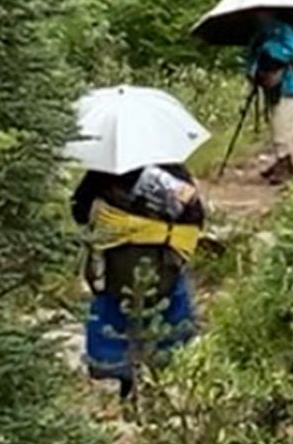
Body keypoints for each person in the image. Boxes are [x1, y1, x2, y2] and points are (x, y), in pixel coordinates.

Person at [72, 162, 204, 398]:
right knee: (175, 304)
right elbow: (196, 215)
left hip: (115, 268)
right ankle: (172, 368)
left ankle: (109, 371)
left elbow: (78, 208)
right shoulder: (175, 172)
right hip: (164, 266)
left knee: (106, 308)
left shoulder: (103, 172)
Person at [244, 9, 293, 184]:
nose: (258, 18)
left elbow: (289, 52)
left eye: (261, 14)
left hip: (288, 87)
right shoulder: (262, 33)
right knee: (276, 126)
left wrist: (268, 47)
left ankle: (286, 166)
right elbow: (253, 56)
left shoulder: (285, 30)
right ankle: (281, 161)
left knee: (285, 127)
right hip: (272, 86)